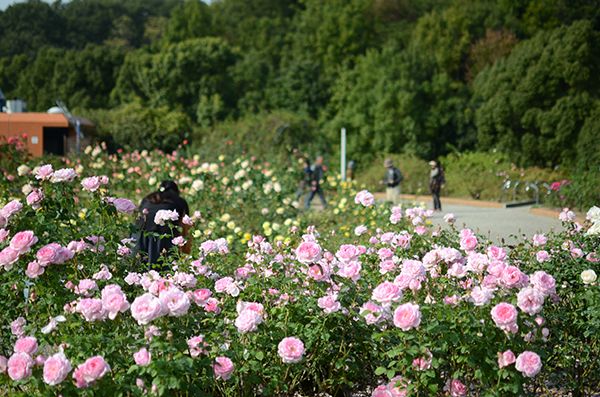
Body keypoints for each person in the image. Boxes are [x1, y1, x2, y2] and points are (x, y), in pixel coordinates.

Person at [135, 180, 190, 267]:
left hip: (139, 235)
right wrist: (185, 250)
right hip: (163, 237)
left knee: (139, 268)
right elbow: (186, 227)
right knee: (163, 270)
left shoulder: (147, 198)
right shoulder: (179, 201)